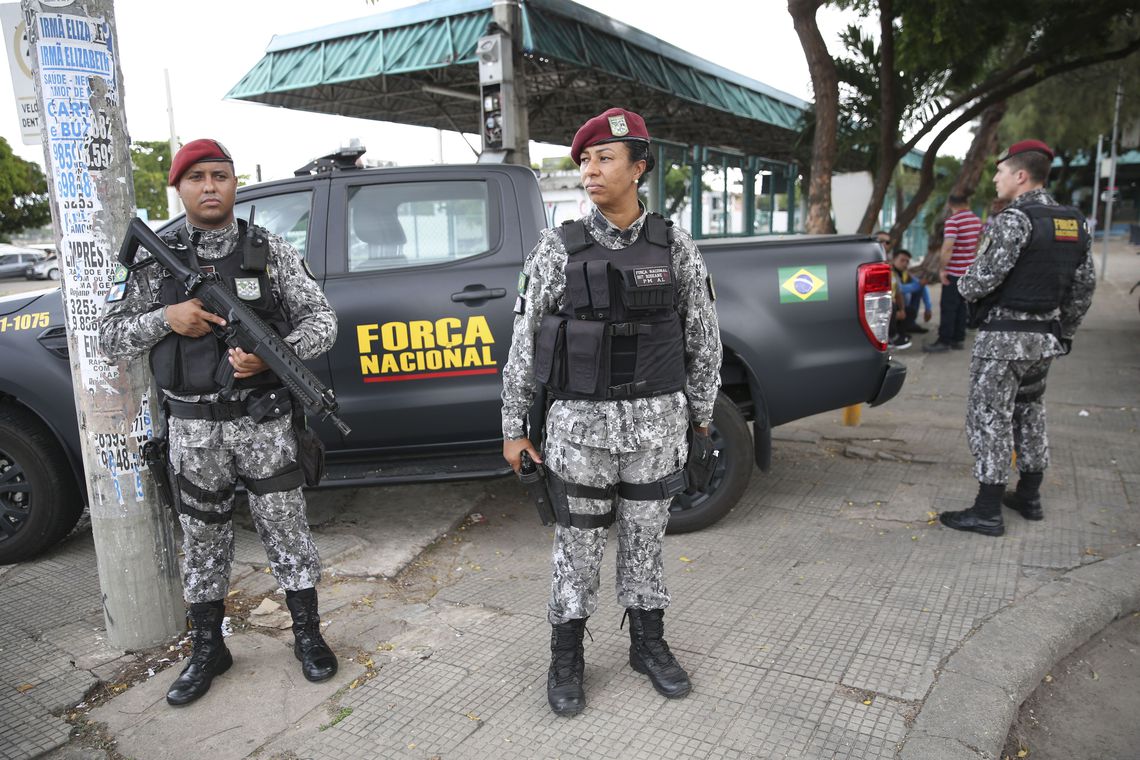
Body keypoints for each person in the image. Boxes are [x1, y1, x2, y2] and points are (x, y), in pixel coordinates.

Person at [99, 139, 340, 705]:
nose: (210, 187)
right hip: (191, 428)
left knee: (286, 528)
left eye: (222, 176)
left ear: (236, 183)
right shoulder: (152, 258)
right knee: (203, 539)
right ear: (177, 187)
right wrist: (167, 318)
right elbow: (110, 337)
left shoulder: (269, 250)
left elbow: (323, 320)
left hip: (262, 422)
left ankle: (308, 634)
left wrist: (272, 353)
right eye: (197, 177)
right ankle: (208, 647)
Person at [500, 108, 722, 716]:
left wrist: (701, 420)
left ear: (639, 167)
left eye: (604, 159)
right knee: (577, 547)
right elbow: (523, 343)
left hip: (656, 427)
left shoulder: (676, 246)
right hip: (579, 431)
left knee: (648, 541)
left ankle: (647, 644)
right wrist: (514, 428)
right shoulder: (555, 249)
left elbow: (703, 339)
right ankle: (566, 654)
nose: (590, 171)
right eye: (584, 161)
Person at [938, 140, 1095, 537]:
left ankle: (987, 510)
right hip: (1044, 340)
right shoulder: (1075, 222)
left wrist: (963, 287)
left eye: (1000, 172)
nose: (994, 178)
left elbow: (980, 280)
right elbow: (1084, 287)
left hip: (1003, 342)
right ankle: (1029, 495)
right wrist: (1066, 332)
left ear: (1020, 176)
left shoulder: (1014, 220)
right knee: (1029, 413)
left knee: (990, 418)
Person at [924, 193, 982, 352]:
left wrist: (943, 269)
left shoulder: (953, 221)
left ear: (950, 204)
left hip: (954, 272)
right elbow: (978, 246)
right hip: (968, 272)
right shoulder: (977, 221)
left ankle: (944, 341)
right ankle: (958, 339)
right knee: (962, 306)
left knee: (948, 306)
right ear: (967, 202)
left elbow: (948, 247)